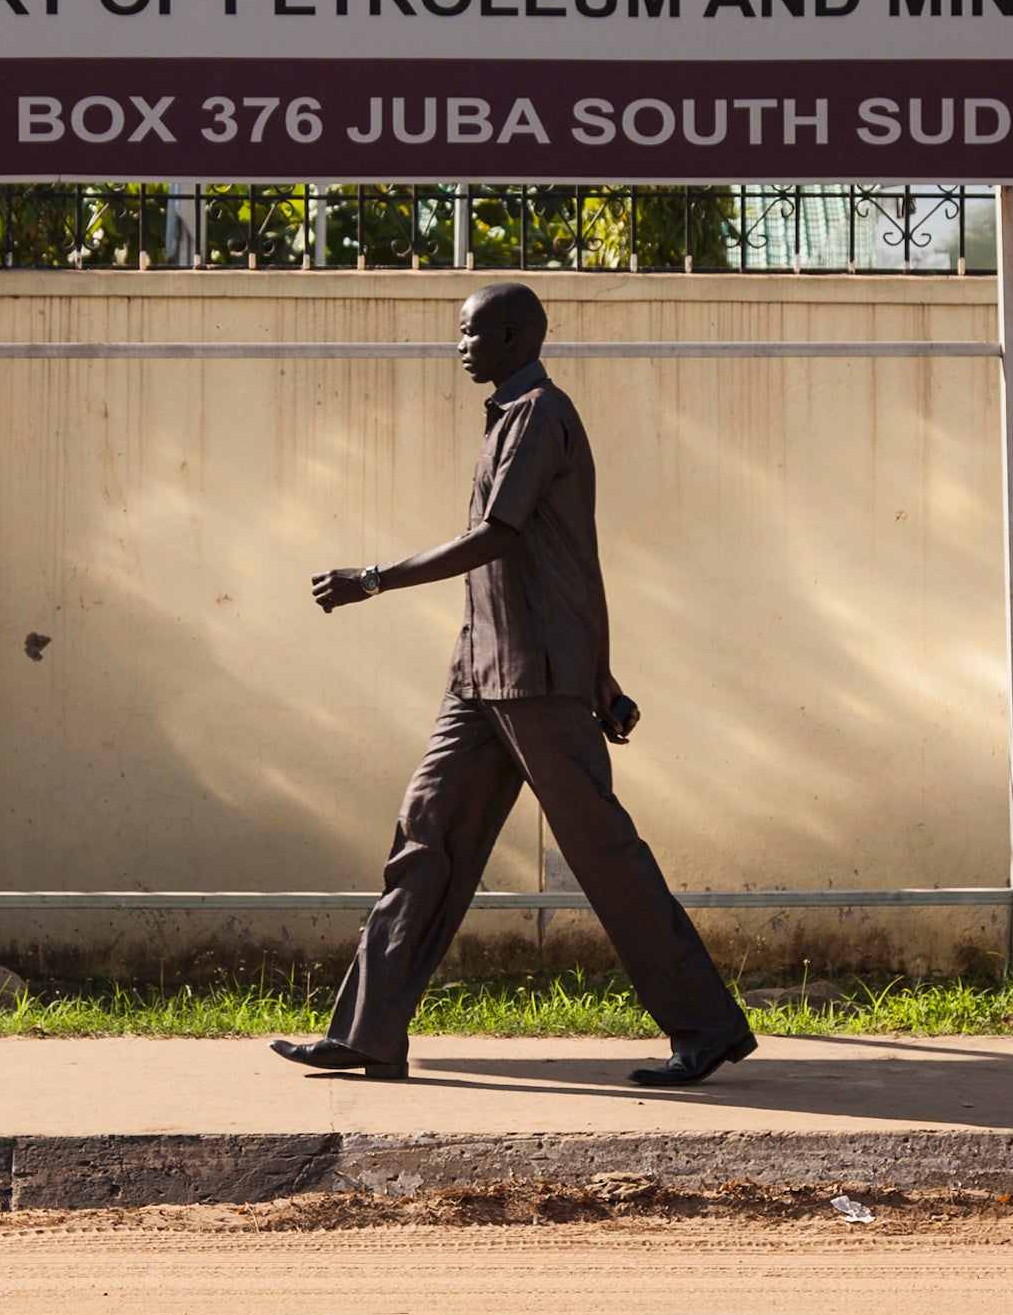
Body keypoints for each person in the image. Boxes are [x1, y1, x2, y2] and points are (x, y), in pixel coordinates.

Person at [271, 281, 757, 1088]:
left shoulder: (538, 415)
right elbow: (573, 555)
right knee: (425, 835)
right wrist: (601, 669)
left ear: (512, 334)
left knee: (604, 854)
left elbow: (498, 538)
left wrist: (372, 578)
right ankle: (369, 1032)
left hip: (535, 678)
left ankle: (707, 1027)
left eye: (469, 331)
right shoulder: (509, 415)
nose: (458, 344)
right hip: (481, 677)